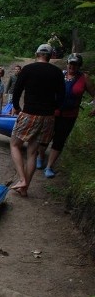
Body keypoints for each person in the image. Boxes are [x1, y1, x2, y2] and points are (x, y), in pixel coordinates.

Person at [9, 44, 65, 197]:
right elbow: (61, 97)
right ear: (51, 56)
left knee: (14, 144)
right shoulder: (57, 72)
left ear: (37, 54)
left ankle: (22, 180)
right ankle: (24, 189)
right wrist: (54, 110)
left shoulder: (28, 69)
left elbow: (17, 90)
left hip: (30, 113)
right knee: (32, 152)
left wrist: (16, 107)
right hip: (48, 117)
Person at [37, 53, 95, 178]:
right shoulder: (59, 74)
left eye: (75, 64)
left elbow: (94, 94)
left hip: (69, 115)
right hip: (52, 112)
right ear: (67, 63)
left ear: (79, 66)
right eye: (71, 63)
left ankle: (49, 166)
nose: (72, 66)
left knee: (59, 140)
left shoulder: (84, 78)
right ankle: (40, 157)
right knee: (44, 137)